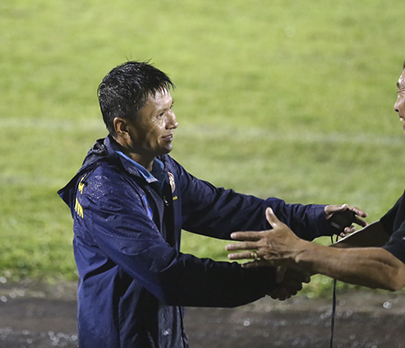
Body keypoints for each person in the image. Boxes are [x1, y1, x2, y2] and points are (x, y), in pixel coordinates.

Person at [57, 61, 366, 348]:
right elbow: (167, 275)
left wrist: (315, 218)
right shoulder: (104, 191)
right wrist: (266, 276)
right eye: (159, 115)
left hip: (161, 336)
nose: (174, 122)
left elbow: (222, 209)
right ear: (123, 127)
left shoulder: (161, 167)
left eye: (171, 109)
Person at [227, 40, 405, 347]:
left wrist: (297, 251)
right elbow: (387, 232)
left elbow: (394, 270)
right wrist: (300, 262)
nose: (395, 105)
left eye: (400, 91)